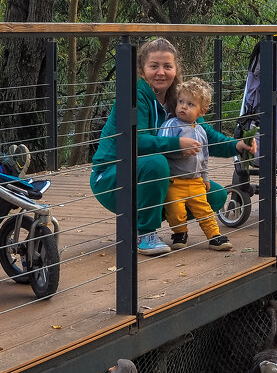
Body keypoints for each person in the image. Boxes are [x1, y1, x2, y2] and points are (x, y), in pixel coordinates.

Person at [89, 38, 255, 256]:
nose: (161, 72)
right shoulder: (133, 95)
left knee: (215, 195)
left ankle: (168, 225)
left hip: (156, 178)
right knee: (156, 162)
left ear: (176, 69)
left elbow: (206, 137)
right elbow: (135, 142)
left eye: (167, 66)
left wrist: (238, 145)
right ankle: (145, 233)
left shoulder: (180, 98)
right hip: (112, 177)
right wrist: (176, 145)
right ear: (142, 69)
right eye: (154, 66)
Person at [157, 78, 233, 251]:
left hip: (196, 181)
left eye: (190, 104)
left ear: (202, 111)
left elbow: (204, 156)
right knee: (175, 211)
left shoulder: (200, 130)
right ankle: (179, 233)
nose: (183, 107)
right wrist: (178, 149)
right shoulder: (170, 125)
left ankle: (214, 236)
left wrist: (205, 177)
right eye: (181, 102)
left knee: (204, 210)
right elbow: (162, 146)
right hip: (175, 181)